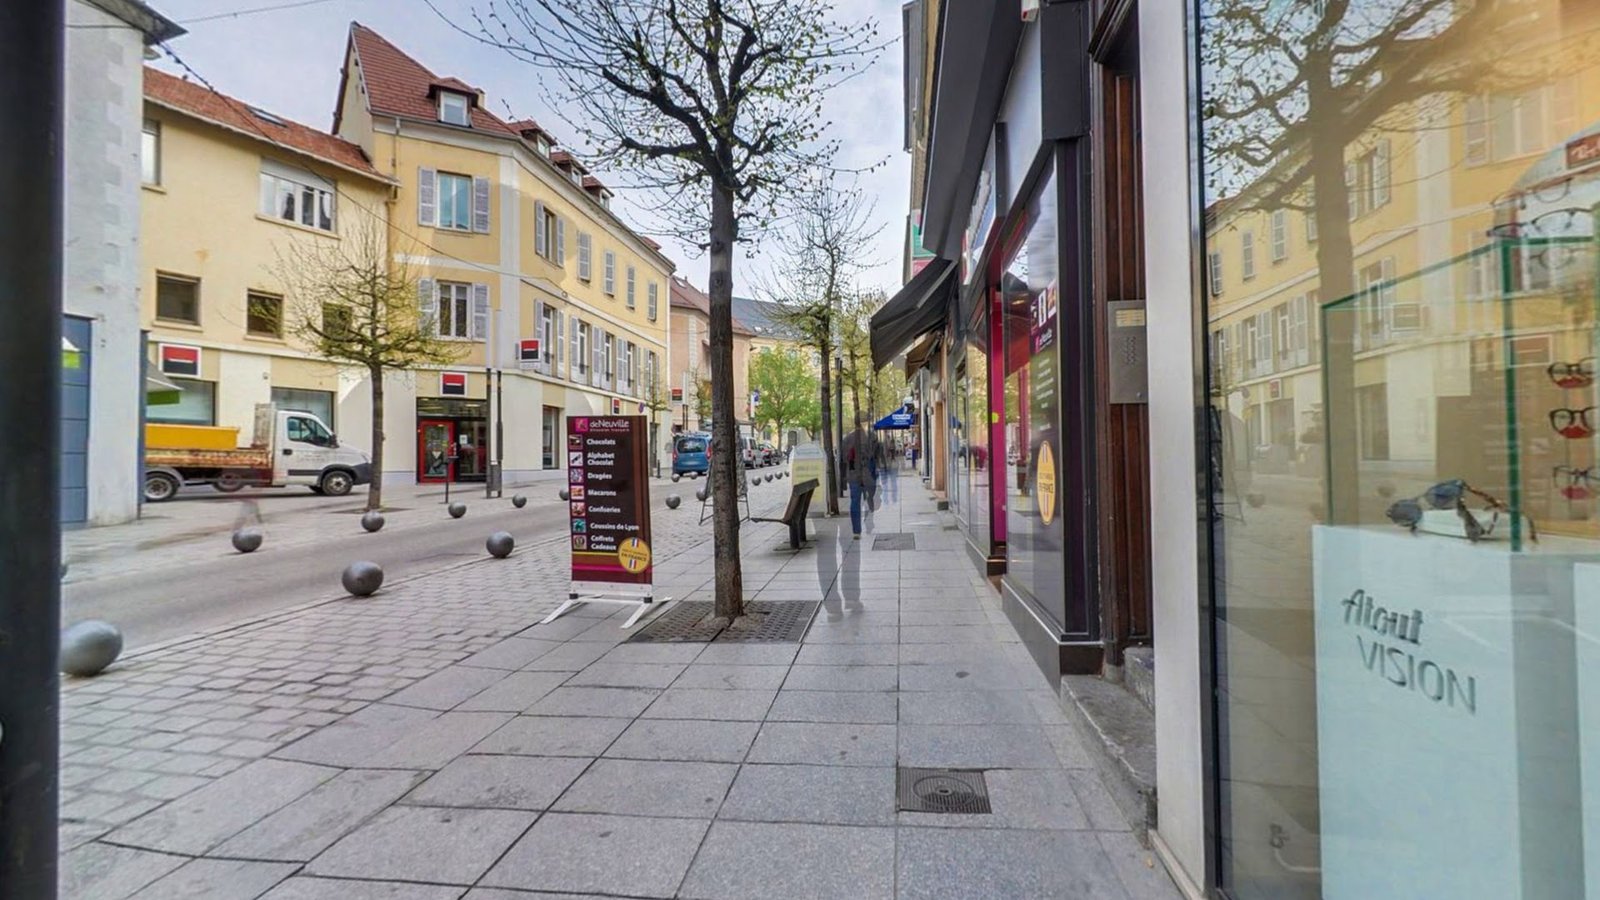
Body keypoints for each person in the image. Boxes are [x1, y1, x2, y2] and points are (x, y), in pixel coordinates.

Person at [840, 413, 879, 538]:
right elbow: (874, 458)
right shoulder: (871, 437)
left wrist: (844, 477)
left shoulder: (847, 439)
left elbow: (844, 460)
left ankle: (856, 531)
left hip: (853, 475)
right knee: (869, 498)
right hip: (867, 474)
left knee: (855, 501)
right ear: (864, 423)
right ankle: (869, 523)